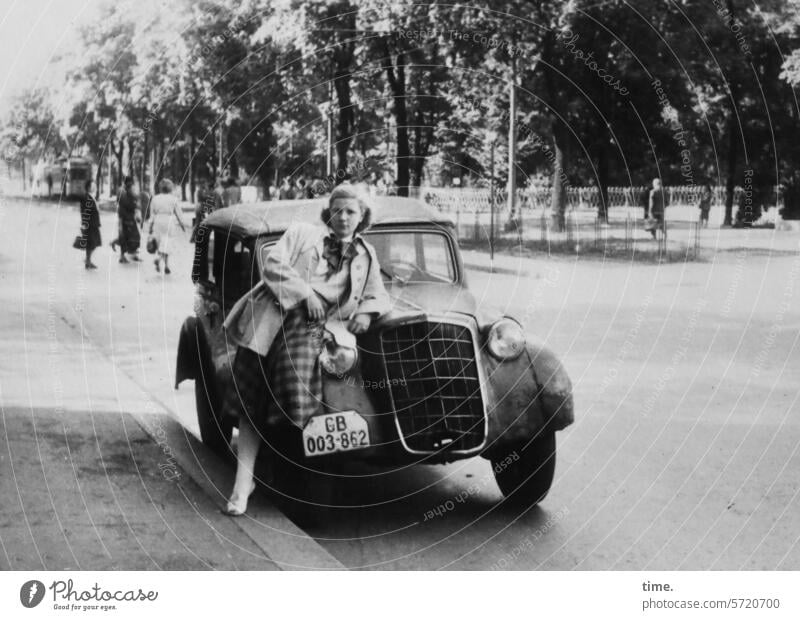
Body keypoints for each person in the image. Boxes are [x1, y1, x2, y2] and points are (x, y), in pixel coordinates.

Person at [220, 184, 391, 516]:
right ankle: (243, 485)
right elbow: (273, 264)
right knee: (252, 398)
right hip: (273, 318)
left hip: (320, 329)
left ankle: (297, 468)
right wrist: (304, 295)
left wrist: (368, 313)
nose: (343, 217)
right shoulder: (301, 233)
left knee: (297, 391)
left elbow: (376, 293)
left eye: (351, 212)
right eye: (337, 210)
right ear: (328, 213)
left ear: (362, 216)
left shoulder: (366, 254)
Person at [145, 178, 186, 275]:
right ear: (170, 188)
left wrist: (150, 227)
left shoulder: (155, 198)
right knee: (167, 243)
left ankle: (166, 265)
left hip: (158, 222)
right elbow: (179, 213)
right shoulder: (173, 199)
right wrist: (182, 225)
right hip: (169, 222)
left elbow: (152, 215)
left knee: (160, 244)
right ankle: (160, 260)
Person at [110, 176, 142, 263]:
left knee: (132, 237)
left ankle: (133, 254)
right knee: (126, 237)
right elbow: (129, 203)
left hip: (128, 216)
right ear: (129, 183)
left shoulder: (126, 190)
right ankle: (122, 256)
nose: (132, 185)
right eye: (131, 183)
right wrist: (135, 202)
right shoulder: (123, 191)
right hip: (124, 217)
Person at [191, 178, 223, 242]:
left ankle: (196, 238)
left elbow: (214, 204)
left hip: (201, 208)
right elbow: (210, 203)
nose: (206, 187)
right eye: (205, 184)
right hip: (201, 208)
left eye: (207, 186)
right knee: (201, 223)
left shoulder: (210, 192)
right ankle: (195, 238)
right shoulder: (202, 191)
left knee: (201, 223)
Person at [78, 179, 101, 270]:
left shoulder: (90, 197)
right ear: (88, 188)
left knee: (92, 243)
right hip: (90, 224)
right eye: (92, 186)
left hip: (93, 224)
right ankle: (88, 261)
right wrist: (84, 224)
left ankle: (88, 261)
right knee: (93, 243)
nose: (94, 187)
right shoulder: (87, 198)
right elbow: (85, 212)